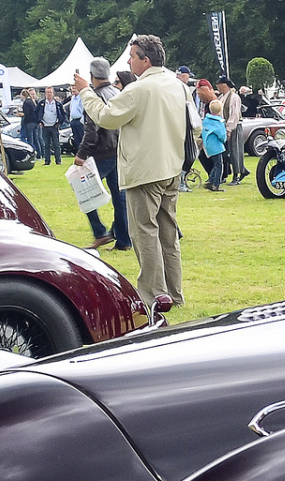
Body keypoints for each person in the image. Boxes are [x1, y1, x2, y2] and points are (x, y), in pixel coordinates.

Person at [90, 34, 189, 307]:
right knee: (168, 234)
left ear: (145, 60)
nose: (129, 60)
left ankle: (155, 294)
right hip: (171, 168)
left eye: (132, 56)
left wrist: (86, 93)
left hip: (145, 171)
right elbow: (196, 126)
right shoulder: (177, 86)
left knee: (144, 232)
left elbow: (106, 117)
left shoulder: (138, 89)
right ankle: (175, 293)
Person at [73, 58, 129, 251]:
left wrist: (81, 154)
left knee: (84, 191)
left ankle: (100, 232)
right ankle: (124, 240)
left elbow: (91, 130)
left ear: (92, 76)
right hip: (119, 151)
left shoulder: (94, 97)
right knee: (119, 197)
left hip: (101, 152)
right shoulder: (117, 92)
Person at [217, 77, 247, 183]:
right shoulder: (221, 97)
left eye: (219, 85)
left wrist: (229, 129)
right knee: (226, 152)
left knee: (235, 151)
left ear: (224, 85)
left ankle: (236, 175)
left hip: (235, 127)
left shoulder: (234, 97)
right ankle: (242, 170)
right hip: (226, 127)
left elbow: (234, 114)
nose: (217, 87)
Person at [202, 99, 229, 191]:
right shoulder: (219, 122)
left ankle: (211, 180)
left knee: (216, 164)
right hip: (216, 145)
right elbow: (222, 135)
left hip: (207, 145)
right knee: (219, 165)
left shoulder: (206, 120)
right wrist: (224, 140)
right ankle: (215, 184)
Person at [40, 88, 63, 164]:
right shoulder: (41, 104)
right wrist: (39, 122)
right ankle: (47, 161)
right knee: (46, 145)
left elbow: (63, 114)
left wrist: (59, 122)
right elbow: (36, 113)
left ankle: (58, 160)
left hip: (54, 126)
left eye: (50, 92)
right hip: (45, 126)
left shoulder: (58, 104)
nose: (49, 94)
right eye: (47, 92)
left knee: (56, 144)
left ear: (53, 94)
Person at [19, 88, 42, 154]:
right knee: (36, 139)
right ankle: (39, 154)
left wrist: (21, 115)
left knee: (30, 139)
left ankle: (32, 153)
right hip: (35, 122)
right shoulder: (32, 102)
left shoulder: (26, 102)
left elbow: (26, 113)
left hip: (29, 122)